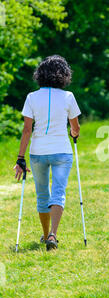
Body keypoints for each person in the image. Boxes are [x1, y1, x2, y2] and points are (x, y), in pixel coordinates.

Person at [14, 55, 81, 251]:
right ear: (64, 75)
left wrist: (20, 158)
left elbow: (27, 129)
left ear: (40, 74)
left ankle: (45, 235)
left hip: (38, 152)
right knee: (58, 192)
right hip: (62, 151)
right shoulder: (68, 96)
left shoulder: (31, 97)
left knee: (42, 194)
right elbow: (75, 127)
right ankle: (53, 233)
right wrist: (73, 133)